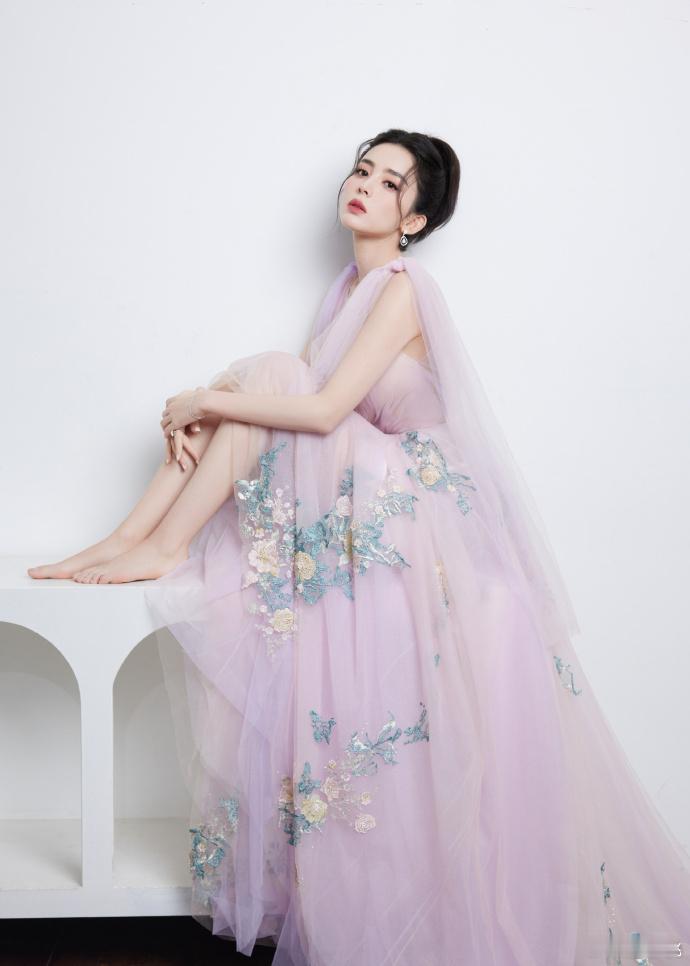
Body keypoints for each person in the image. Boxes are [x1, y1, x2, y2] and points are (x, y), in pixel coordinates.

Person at [27, 130, 690, 965]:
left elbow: (319, 409)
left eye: (391, 182)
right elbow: (287, 416)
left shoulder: (404, 288)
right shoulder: (346, 290)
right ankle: (131, 537)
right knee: (255, 385)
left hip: (413, 502)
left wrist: (206, 397)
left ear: (414, 219)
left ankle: (156, 544)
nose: (366, 185)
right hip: (363, 483)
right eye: (364, 169)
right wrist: (207, 407)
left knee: (267, 377)